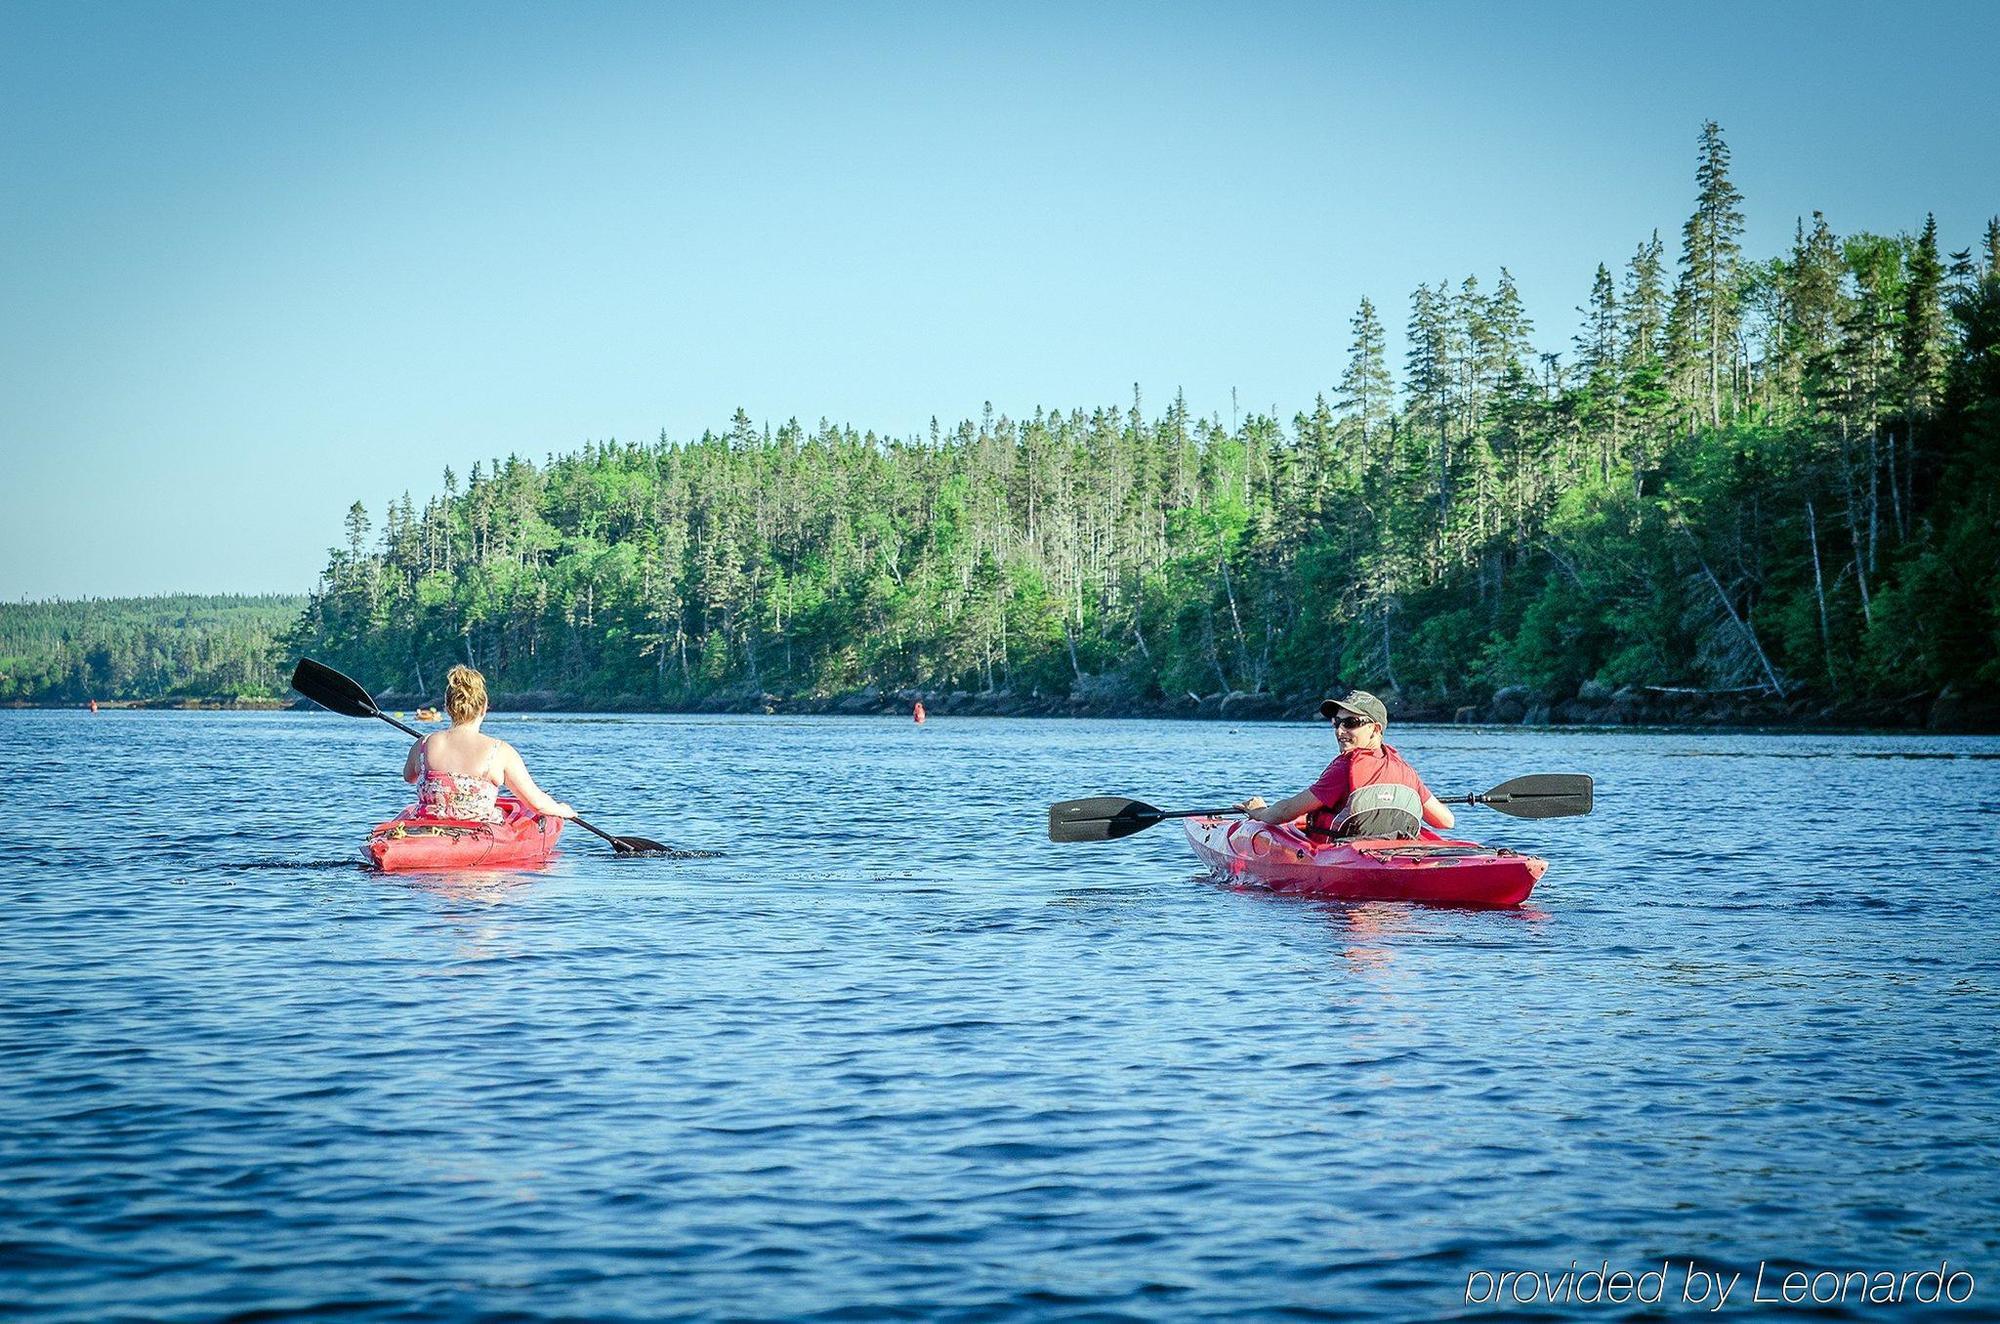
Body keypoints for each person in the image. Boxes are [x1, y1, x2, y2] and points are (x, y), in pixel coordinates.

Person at [1233, 689, 1455, 840]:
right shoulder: (1405, 771)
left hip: (1348, 858)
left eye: (1351, 723)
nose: (1340, 731)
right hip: (1396, 855)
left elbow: (1283, 813)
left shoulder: (1345, 768)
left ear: (1376, 729)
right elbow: (1446, 821)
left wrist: (1259, 811)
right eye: (1336, 723)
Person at [401, 665, 576, 823]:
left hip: (428, 827)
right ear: (484, 708)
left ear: (447, 707)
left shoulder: (423, 744)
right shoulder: (500, 752)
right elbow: (537, 804)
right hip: (478, 833)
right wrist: (562, 810)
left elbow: (409, 777)